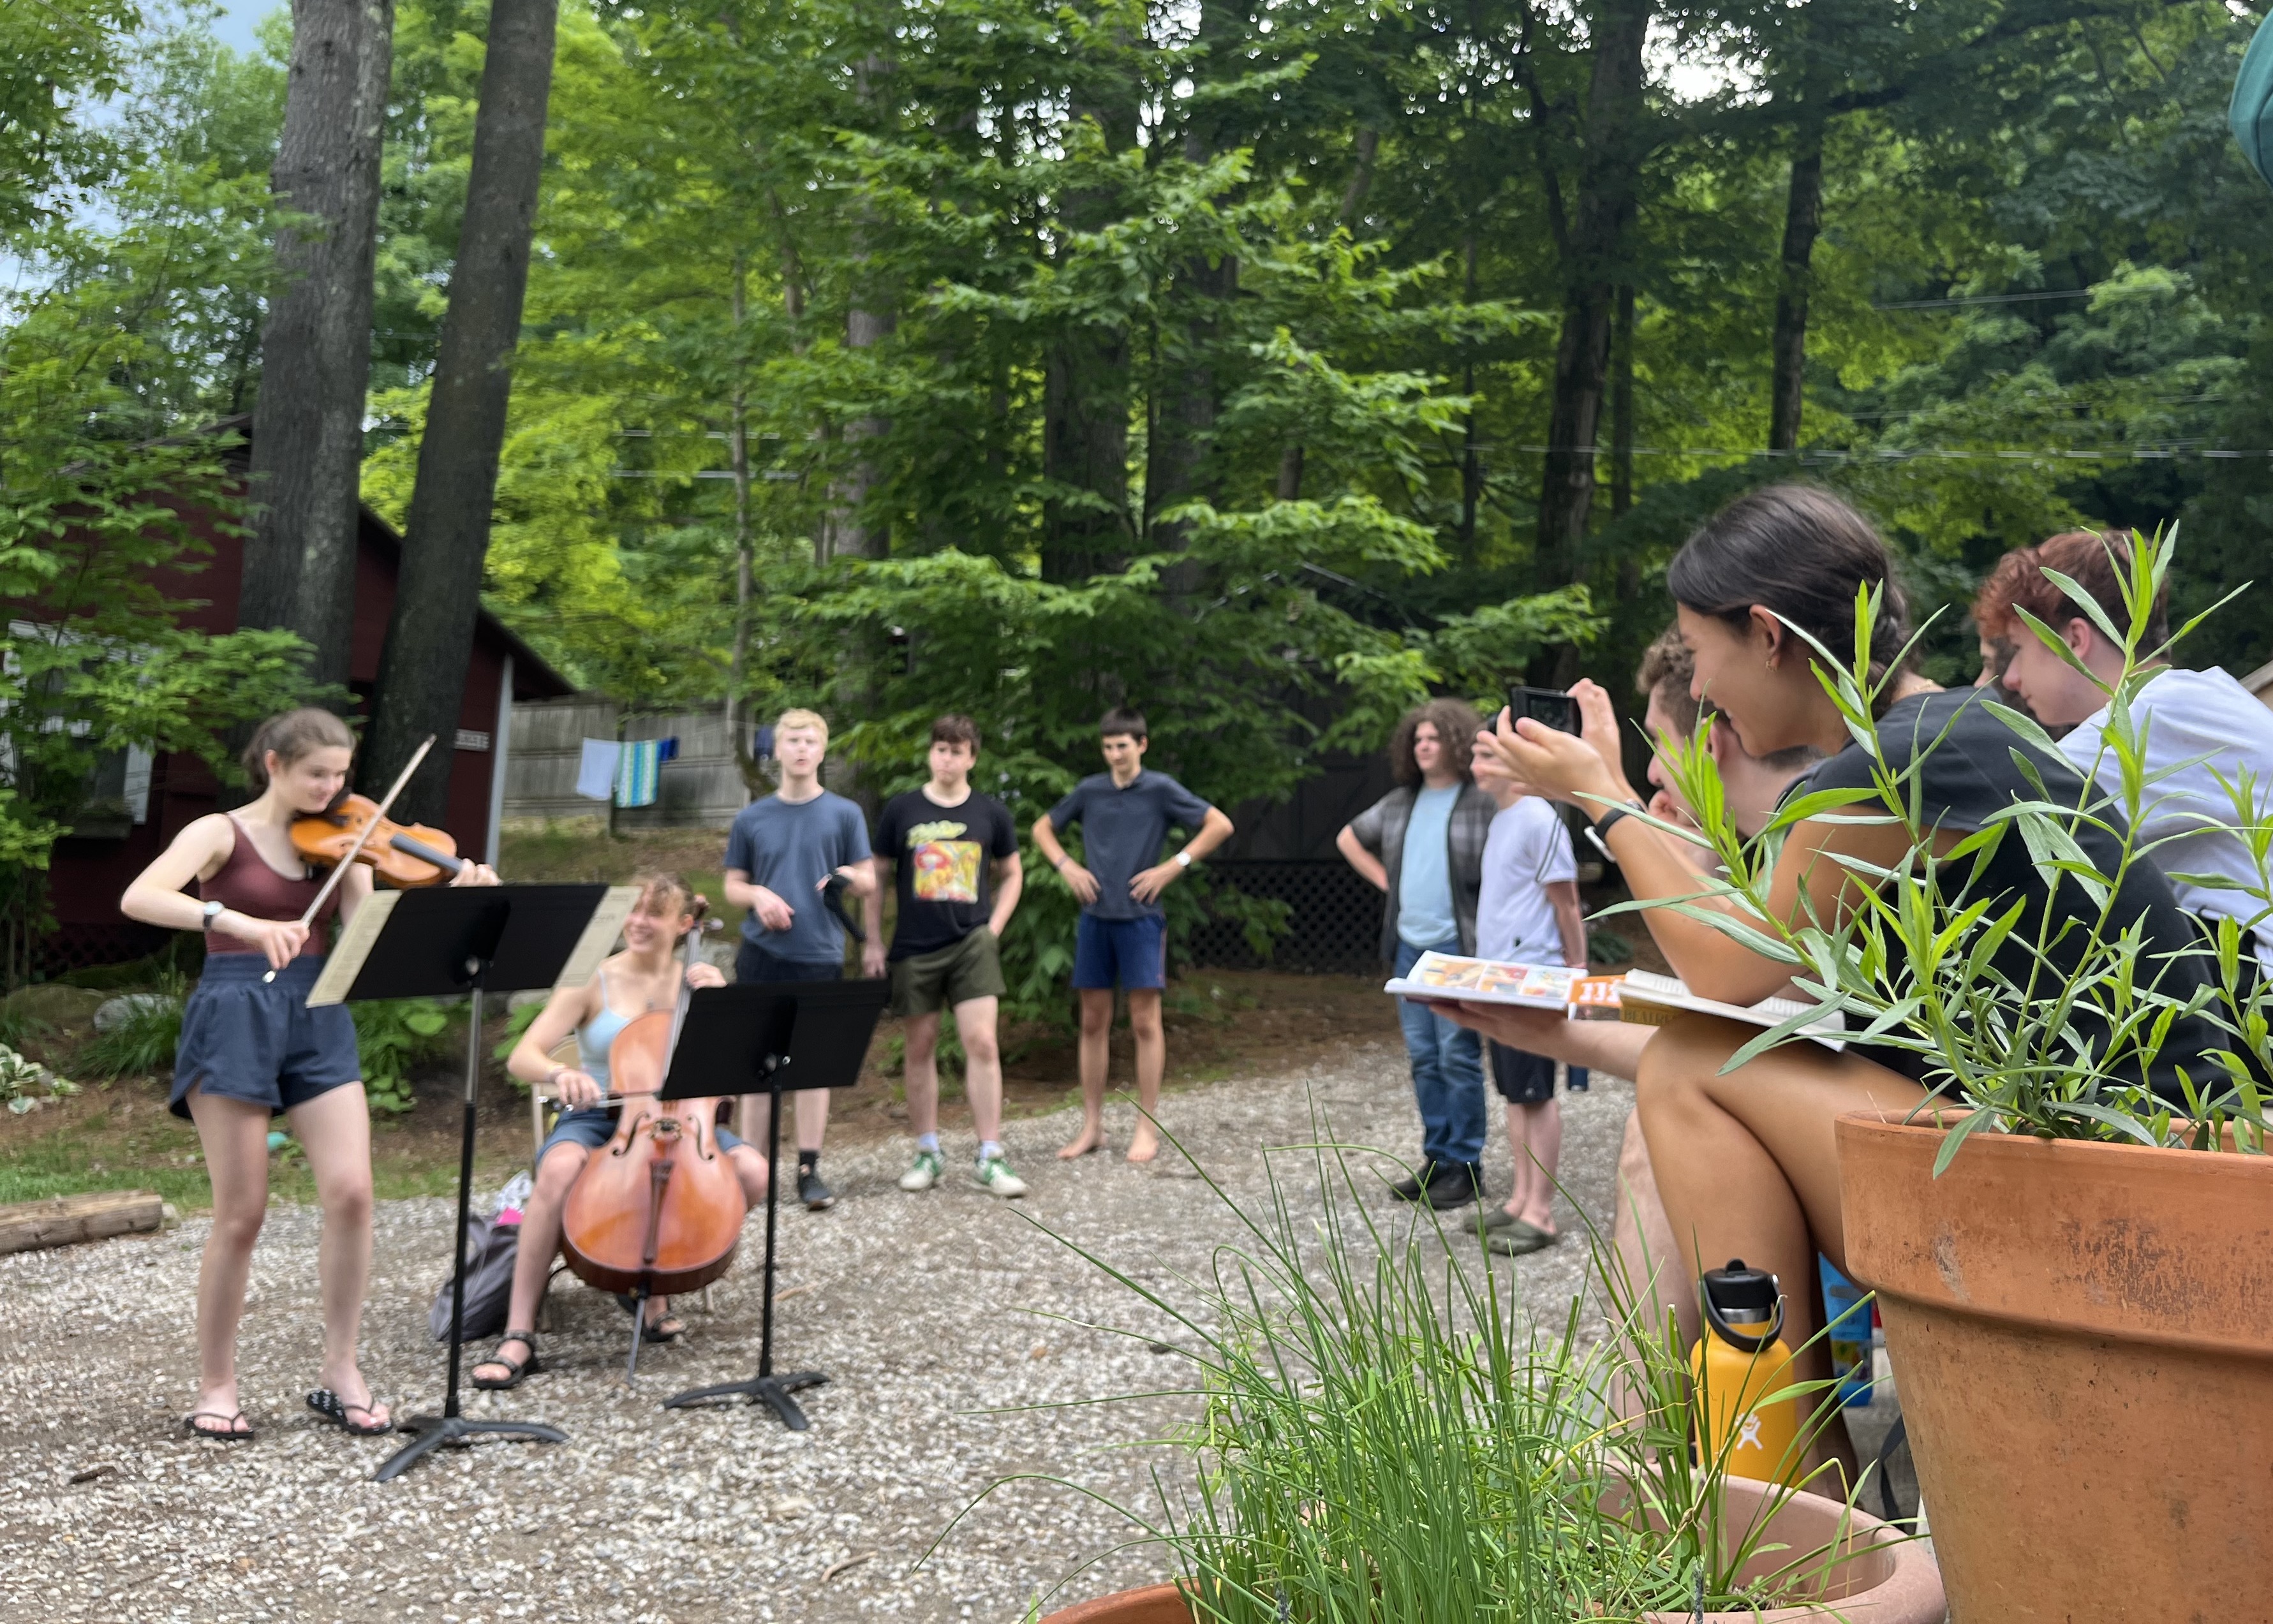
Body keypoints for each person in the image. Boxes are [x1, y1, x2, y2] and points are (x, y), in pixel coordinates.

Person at [1474, 485, 2218, 1468]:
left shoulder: (1900, 763)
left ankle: (1795, 1507)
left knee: (1691, 1066)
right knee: (1700, 1059)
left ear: (1768, 634)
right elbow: (1754, 963)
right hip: (2138, 1166)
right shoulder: (1950, 735)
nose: (1699, 692)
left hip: (2111, 1195)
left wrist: (1603, 797)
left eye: (1700, 653)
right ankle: (1771, 1487)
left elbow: (1728, 966)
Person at [119, 708, 500, 1440]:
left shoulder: (345, 845)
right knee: (243, 1212)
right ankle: (218, 1383)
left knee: (353, 1192)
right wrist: (238, 920)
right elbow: (140, 896)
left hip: (318, 1014)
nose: (333, 788)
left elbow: (365, 933)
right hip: (233, 1012)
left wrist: (454, 896)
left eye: (342, 774)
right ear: (273, 764)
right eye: (317, 773)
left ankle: (341, 1369)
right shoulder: (219, 833)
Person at [469, 875, 762, 1389]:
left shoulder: (696, 983)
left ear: (684, 925)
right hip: (597, 1117)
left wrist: (723, 1007)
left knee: (755, 1174)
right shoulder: (591, 980)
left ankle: (652, 1277)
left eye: (654, 913)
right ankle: (518, 1332)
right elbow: (523, 1056)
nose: (638, 922)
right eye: (633, 910)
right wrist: (561, 1073)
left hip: (683, 1120)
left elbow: (736, 1069)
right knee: (557, 1171)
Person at [1976, 529, 2273, 978]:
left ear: (2074, 639)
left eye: (2017, 651)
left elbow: (1998, 816)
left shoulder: (2153, 715)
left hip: (2253, 996)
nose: (2010, 679)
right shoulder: (2200, 695)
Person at [1032, 706, 1234, 1163]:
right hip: (1095, 917)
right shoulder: (1090, 790)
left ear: (1141, 745)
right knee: (1092, 1021)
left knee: (1144, 1021)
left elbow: (1219, 824)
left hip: (1142, 918)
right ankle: (1092, 1127)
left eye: (1122, 746)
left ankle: (1147, 1128)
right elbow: (1043, 827)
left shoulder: (1159, 789)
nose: (1114, 754)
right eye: (1107, 747)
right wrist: (1067, 866)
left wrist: (1173, 866)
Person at [1335, 699, 1495, 1209]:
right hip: (1408, 946)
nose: (1423, 746)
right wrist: (1388, 882)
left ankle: (1466, 1167)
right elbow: (1348, 838)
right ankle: (1437, 1158)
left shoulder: (1480, 801)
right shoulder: (1401, 801)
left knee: (1456, 1055)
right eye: (1417, 739)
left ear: (1456, 743)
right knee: (1425, 1058)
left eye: (1433, 738)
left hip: (1457, 948)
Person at [865, 715, 1028, 1198]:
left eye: (957, 751)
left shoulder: (991, 813)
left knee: (981, 1042)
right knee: (920, 1048)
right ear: (930, 753)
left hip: (971, 943)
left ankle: (990, 1155)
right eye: (940, 748)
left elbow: (1013, 873)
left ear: (972, 758)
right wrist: (872, 940)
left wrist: (993, 928)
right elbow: (874, 878)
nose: (947, 758)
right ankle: (928, 1151)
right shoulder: (901, 810)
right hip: (914, 947)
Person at [722, 707, 876, 1209]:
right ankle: (751, 1170)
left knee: (811, 1067)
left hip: (819, 953)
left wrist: (845, 878)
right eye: (792, 740)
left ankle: (809, 1168)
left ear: (822, 750)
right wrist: (760, 896)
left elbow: (871, 878)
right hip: (761, 954)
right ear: (778, 749)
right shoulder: (752, 816)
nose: (801, 749)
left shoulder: (845, 814)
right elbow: (732, 885)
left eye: (811, 741)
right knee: (755, 1064)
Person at [1465, 772, 1588, 1255]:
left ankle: (1541, 1213)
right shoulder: (1503, 819)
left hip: (1533, 974)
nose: (1474, 762)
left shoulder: (1540, 819)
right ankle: (1519, 1201)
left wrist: (1575, 970)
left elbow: (1567, 901)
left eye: (1485, 752)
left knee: (1536, 1093)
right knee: (1515, 1094)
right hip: (1500, 976)